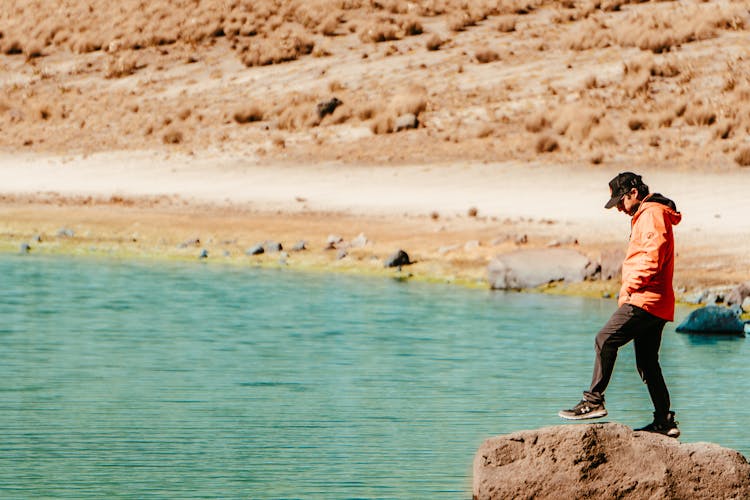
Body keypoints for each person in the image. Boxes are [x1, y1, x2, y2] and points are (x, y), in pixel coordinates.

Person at [558, 172, 682, 438]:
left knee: (605, 340)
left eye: (620, 202)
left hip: (645, 298)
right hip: (655, 300)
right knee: (648, 362)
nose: (618, 209)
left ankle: (593, 402)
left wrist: (630, 288)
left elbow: (652, 256)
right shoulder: (649, 214)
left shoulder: (650, 215)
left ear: (633, 193)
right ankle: (664, 421)